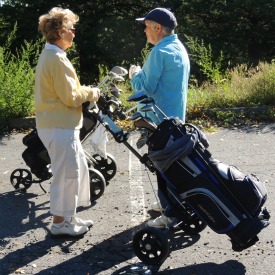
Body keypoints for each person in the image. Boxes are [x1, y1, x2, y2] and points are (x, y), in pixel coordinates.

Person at [35, 7, 100, 238]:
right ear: (61, 32)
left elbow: (67, 92)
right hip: (59, 126)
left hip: (57, 125)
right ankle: (60, 223)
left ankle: (68, 217)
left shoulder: (52, 55)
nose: (74, 33)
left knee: (77, 169)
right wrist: (92, 92)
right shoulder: (56, 58)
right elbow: (71, 97)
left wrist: (84, 91)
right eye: (72, 29)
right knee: (66, 175)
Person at [129, 7, 190, 228]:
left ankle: (171, 214)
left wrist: (134, 75)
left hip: (158, 121)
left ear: (157, 28)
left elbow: (144, 88)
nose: (145, 31)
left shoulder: (159, 52)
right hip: (174, 118)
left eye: (146, 26)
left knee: (163, 165)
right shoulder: (178, 47)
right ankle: (170, 204)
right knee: (172, 166)